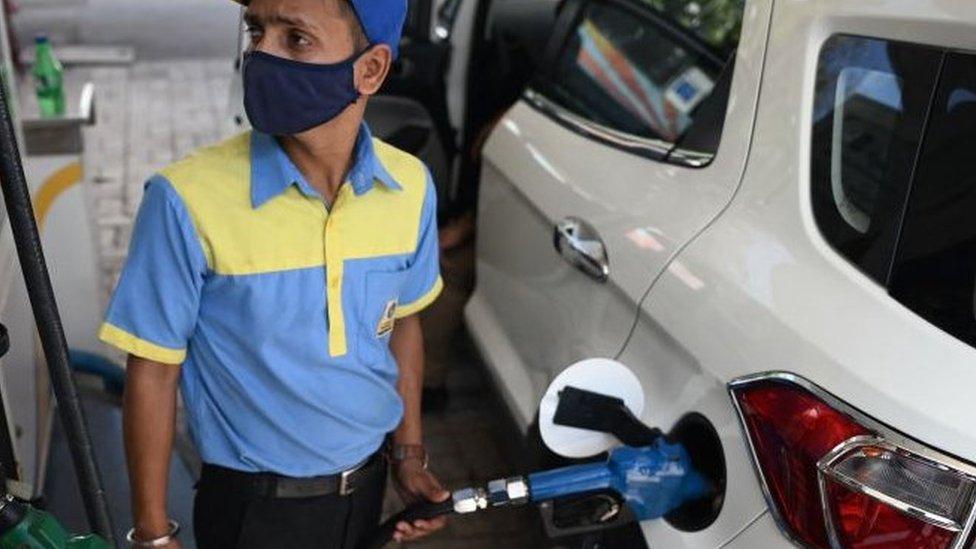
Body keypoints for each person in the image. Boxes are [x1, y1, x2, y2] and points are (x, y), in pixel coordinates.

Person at [98, 0, 450, 546]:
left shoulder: (410, 188)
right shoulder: (186, 199)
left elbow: (403, 325)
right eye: (256, 31)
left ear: (371, 69)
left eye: (296, 38)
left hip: (368, 489)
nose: (260, 54)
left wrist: (408, 455)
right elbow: (153, 371)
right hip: (251, 511)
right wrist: (152, 533)